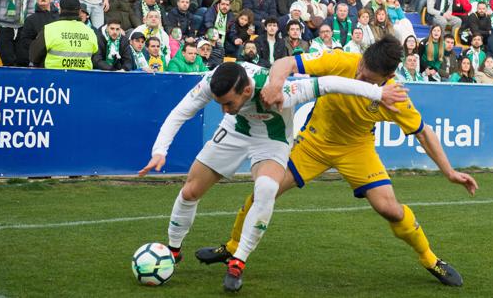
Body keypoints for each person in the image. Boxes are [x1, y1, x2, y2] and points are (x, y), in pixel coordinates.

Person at [195, 36, 478, 289]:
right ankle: (232, 248)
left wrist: (449, 172)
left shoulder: (394, 97)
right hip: (314, 143)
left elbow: (424, 133)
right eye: (360, 71)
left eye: (367, 80)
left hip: (357, 149)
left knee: (389, 209)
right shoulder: (343, 60)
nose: (359, 78)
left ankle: (430, 259)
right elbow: (284, 63)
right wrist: (276, 85)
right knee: (264, 190)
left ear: (388, 77)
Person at [139, 56, 411, 292]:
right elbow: (180, 112)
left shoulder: (286, 90)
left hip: (272, 140)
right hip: (235, 131)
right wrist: (160, 151)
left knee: (267, 189)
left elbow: (329, 83)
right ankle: (173, 251)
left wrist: (378, 93)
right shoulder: (214, 81)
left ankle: (238, 262)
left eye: (228, 103)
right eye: (219, 103)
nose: (222, 108)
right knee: (190, 191)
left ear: (247, 90)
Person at [29, 0, 98, 70]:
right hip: (82, 78)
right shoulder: (90, 31)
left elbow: (33, 56)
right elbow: (95, 55)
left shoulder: (50, 29)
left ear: (60, 9)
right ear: (79, 11)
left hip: (54, 78)